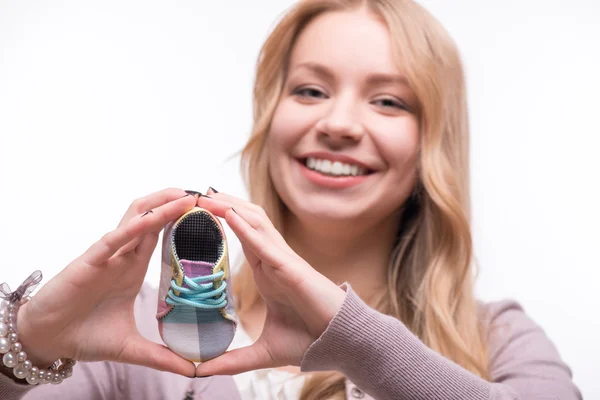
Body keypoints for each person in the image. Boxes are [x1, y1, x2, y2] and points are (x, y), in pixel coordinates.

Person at [0, 0, 583, 399]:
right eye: (310, 89)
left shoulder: (500, 338)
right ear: (269, 117)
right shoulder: (139, 335)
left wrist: (354, 340)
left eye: (388, 101)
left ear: (434, 143)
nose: (338, 122)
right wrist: (24, 341)